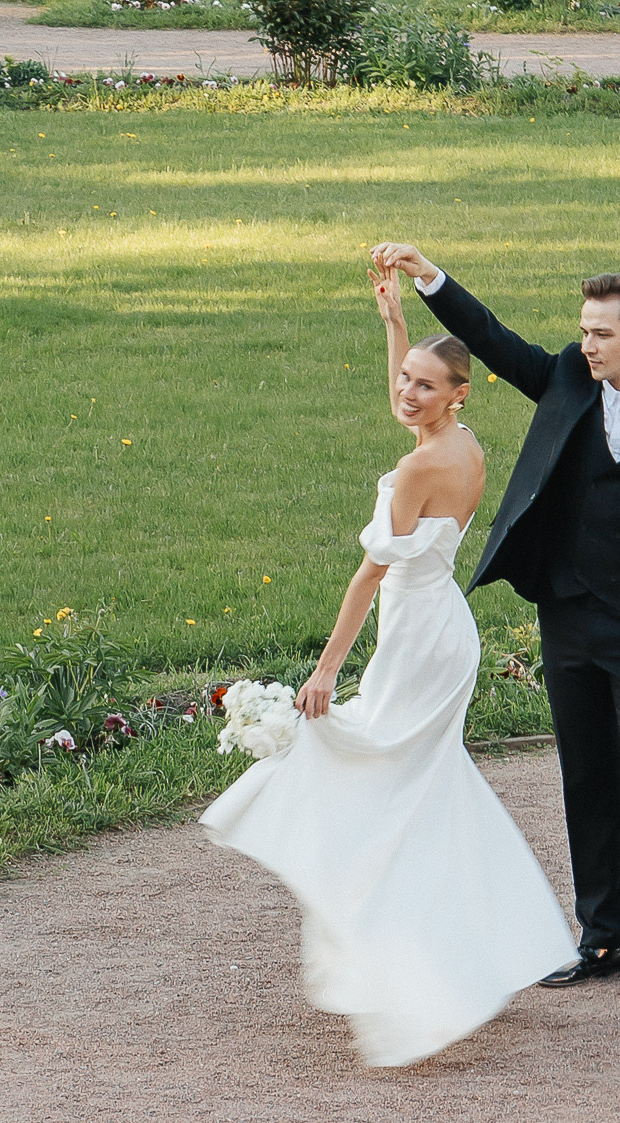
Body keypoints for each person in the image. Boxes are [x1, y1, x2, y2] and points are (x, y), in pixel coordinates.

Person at [198, 264, 572, 1068]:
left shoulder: (418, 469)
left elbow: (369, 576)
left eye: (423, 385)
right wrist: (396, 326)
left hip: (417, 638)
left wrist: (326, 671)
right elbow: (408, 412)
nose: (406, 392)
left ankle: (409, 949)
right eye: (405, 379)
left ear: (458, 395)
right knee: (425, 786)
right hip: (440, 628)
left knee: (375, 774)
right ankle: (489, 940)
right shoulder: (458, 445)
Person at [372, 247, 620, 1004]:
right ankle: (603, 938)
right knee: (585, 779)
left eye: (601, 333)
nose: (587, 344)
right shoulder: (563, 382)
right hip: (569, 619)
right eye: (583, 331)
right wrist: (428, 278)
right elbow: (490, 338)